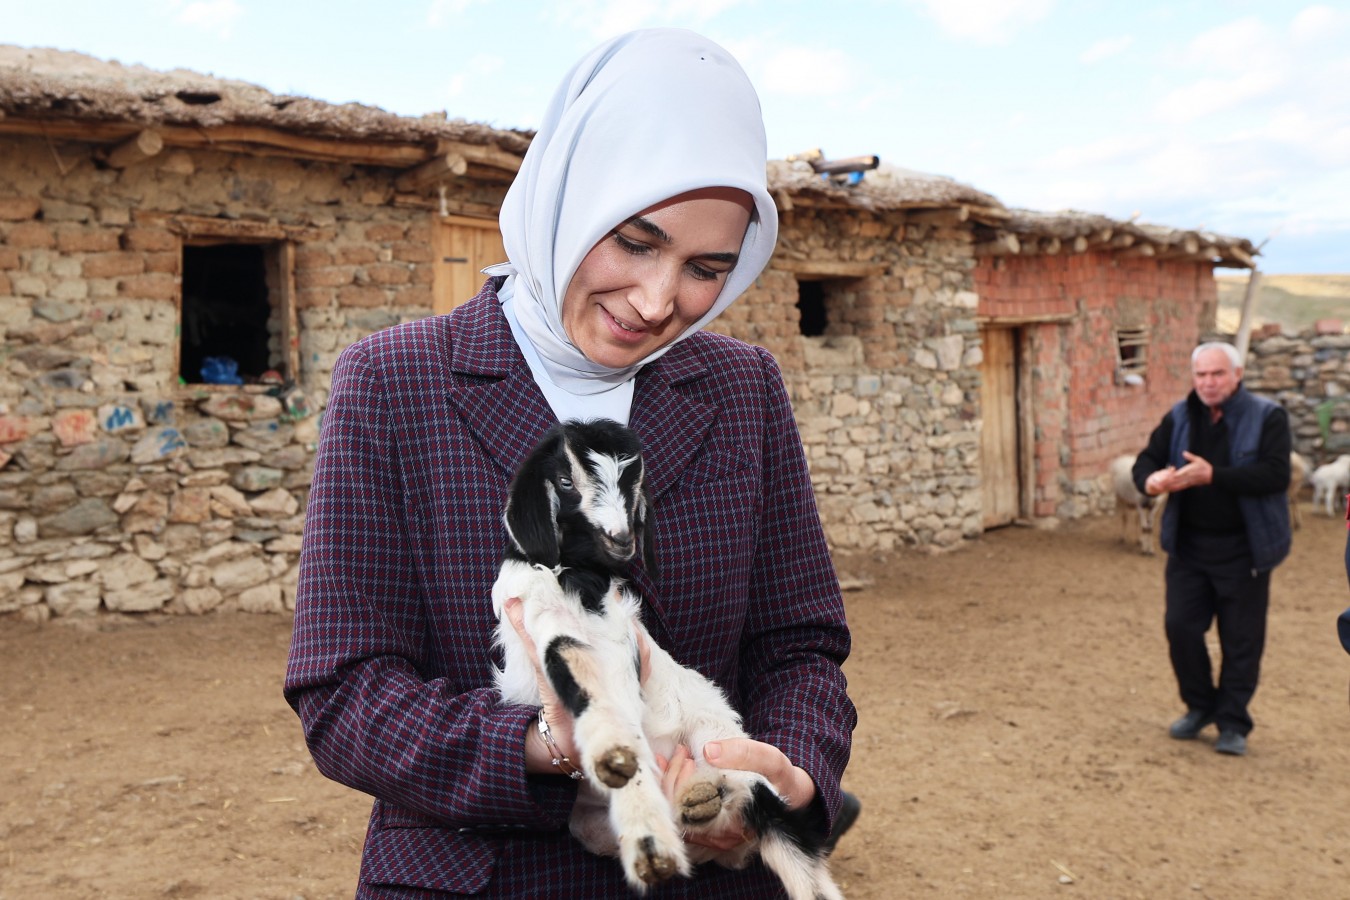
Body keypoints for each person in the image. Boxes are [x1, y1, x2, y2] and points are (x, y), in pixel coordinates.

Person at [284, 28, 856, 898]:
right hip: (480, 877)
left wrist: (784, 775)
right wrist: (560, 740)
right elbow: (345, 693)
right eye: (632, 240)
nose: (659, 300)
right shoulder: (395, 384)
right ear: (567, 195)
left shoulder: (743, 390)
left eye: (706, 267)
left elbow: (800, 648)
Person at [1133, 341, 1291, 757]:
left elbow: (1276, 476)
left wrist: (1213, 476)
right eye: (1201, 375)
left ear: (1237, 375)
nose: (1208, 382)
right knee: (1180, 627)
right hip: (1189, 547)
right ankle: (1200, 706)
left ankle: (1233, 721)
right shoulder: (1180, 416)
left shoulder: (1267, 417)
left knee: (1242, 639)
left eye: (1217, 374)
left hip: (1246, 549)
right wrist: (1151, 482)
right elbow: (1145, 460)